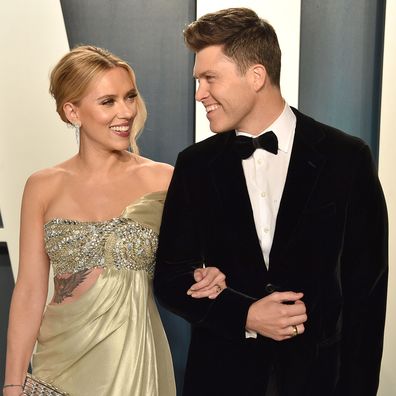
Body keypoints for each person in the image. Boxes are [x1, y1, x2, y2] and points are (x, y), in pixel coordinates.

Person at [154, 7, 388, 396]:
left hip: (319, 381)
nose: (199, 93)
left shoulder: (347, 158)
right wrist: (244, 314)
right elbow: (170, 279)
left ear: (257, 75)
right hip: (221, 380)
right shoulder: (194, 165)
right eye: (199, 80)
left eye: (210, 78)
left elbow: (367, 293)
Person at [3, 45, 225, 396]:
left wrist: (207, 273)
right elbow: (30, 290)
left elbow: (190, 266)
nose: (126, 112)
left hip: (134, 361)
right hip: (58, 363)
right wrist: (13, 382)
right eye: (108, 101)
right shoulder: (42, 186)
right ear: (72, 111)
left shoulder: (164, 180)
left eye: (130, 97)